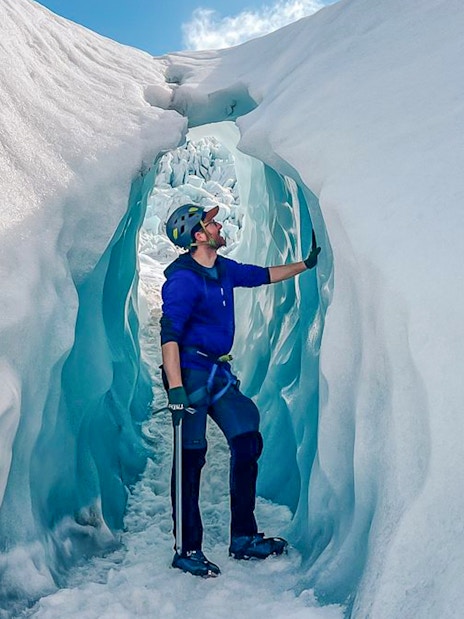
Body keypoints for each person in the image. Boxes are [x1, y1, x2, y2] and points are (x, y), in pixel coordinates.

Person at [160, 203, 321, 577]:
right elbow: (169, 334)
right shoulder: (183, 279)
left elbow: (261, 275)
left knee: (247, 439)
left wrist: (305, 265)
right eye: (211, 222)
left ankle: (243, 538)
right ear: (198, 235)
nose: (218, 225)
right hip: (190, 373)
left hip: (217, 372)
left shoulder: (222, 268)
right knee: (190, 458)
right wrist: (176, 390)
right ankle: (186, 548)